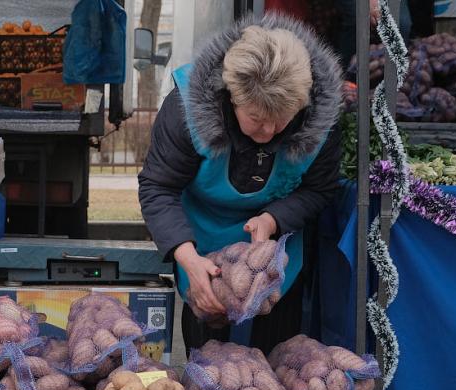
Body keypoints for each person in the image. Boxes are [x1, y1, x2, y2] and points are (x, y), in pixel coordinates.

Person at [138, 13, 343, 355]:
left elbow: (319, 189)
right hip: (200, 239)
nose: (267, 133)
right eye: (256, 119)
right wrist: (188, 259)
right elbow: (159, 187)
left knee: (275, 360)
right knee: (207, 360)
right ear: (231, 96)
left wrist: (272, 220)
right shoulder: (186, 107)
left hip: (277, 246)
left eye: (281, 121)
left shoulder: (320, 121)